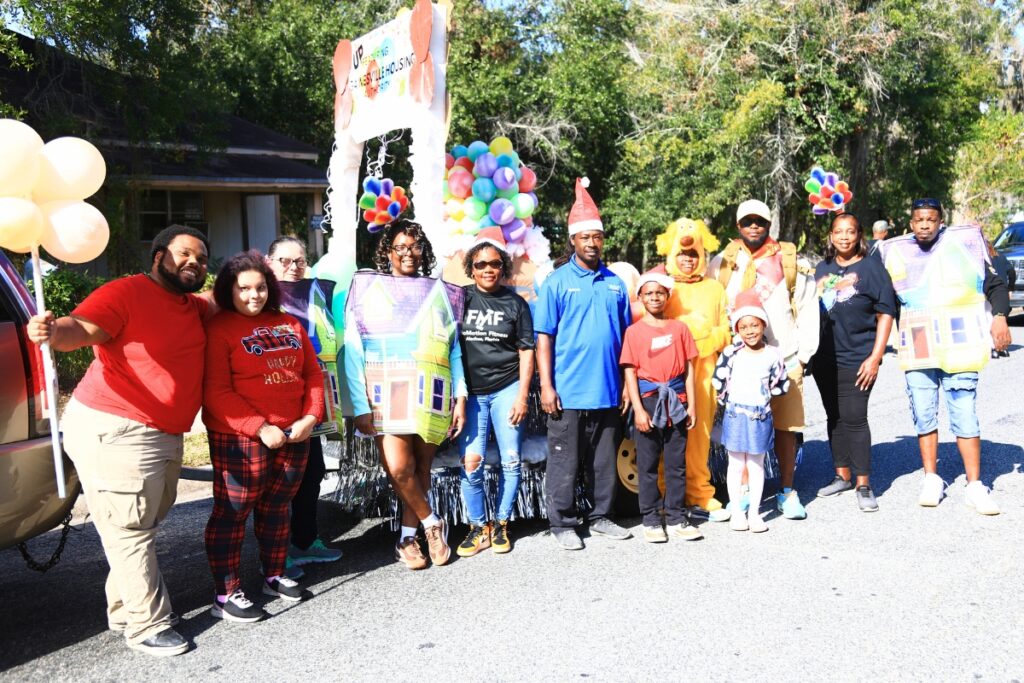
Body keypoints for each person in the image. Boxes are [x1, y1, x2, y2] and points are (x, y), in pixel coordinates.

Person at [25, 225, 212, 656]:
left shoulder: (191, 306)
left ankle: (125, 609)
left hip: (162, 432)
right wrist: (52, 332)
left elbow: (227, 298)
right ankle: (147, 624)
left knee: (140, 522)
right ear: (158, 256)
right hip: (116, 428)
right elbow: (79, 328)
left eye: (202, 258)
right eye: (185, 254)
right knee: (130, 528)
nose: (194, 263)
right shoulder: (125, 292)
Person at [202, 250, 323, 621]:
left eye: (260, 287)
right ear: (229, 290)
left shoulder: (289, 323)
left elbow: (312, 374)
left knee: (276, 508)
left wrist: (310, 417)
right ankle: (226, 594)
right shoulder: (219, 329)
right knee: (232, 513)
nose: (254, 295)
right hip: (241, 437)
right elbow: (216, 391)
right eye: (244, 289)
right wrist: (259, 427)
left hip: (293, 434)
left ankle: (274, 573)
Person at [344, 219, 467, 569]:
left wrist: (460, 398)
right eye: (400, 247)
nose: (408, 253)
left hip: (432, 392)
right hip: (386, 393)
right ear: (387, 251)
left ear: (423, 251)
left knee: (420, 468)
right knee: (399, 468)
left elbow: (453, 351)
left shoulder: (440, 293)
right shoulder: (367, 288)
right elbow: (353, 350)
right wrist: (360, 405)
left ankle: (407, 539)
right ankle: (432, 522)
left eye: (415, 246)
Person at [878, 198, 1010, 514]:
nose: (925, 224)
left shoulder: (965, 245)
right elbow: (884, 301)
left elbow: (995, 284)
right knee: (924, 412)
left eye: (931, 219)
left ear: (940, 221)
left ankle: (975, 485)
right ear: (911, 223)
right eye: (919, 219)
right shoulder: (896, 253)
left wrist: (1000, 317)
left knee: (964, 412)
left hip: (960, 344)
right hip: (918, 343)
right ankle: (931, 478)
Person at [535, 177, 633, 551]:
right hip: (568, 390)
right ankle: (562, 522)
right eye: (585, 237)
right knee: (565, 461)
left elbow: (627, 341)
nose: (592, 243)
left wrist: (626, 385)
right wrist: (547, 386)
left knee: (604, 460)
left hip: (608, 388)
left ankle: (601, 516)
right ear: (573, 240)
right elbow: (544, 337)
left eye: (597, 237)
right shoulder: (556, 283)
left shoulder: (616, 283)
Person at [707, 199, 818, 520]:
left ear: (769, 225)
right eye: (747, 221)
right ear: (738, 226)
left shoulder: (789, 260)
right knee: (742, 427)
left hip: (784, 357)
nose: (753, 226)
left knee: (786, 427)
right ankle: (742, 492)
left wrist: (804, 356)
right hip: (740, 362)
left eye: (759, 221)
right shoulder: (723, 262)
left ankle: (786, 490)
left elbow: (808, 307)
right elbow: (714, 304)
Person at [265, 236, 343, 578]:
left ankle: (306, 540)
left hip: (313, 400)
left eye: (299, 261)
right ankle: (275, 554)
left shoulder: (320, 291)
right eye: (285, 260)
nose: (293, 267)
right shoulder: (257, 294)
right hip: (272, 403)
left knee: (311, 474)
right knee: (277, 482)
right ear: (268, 262)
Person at [455, 227, 535, 556]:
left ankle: (501, 523)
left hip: (507, 388)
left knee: (511, 461)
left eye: (494, 263)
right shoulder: (459, 299)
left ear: (503, 266)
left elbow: (526, 350)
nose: (488, 269)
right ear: (470, 268)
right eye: (480, 264)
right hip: (470, 394)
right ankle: (478, 527)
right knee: (470, 463)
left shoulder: (516, 304)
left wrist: (522, 396)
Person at [811, 213, 896, 512]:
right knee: (834, 416)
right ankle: (842, 475)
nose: (844, 237)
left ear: (859, 235)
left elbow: (886, 313)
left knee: (855, 418)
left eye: (850, 231)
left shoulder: (872, 268)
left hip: (857, 357)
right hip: (824, 358)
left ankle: (863, 484)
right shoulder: (822, 268)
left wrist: (876, 356)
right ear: (831, 236)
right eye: (838, 232)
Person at [656, 218, 732, 521]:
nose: (687, 259)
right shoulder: (664, 288)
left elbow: (726, 330)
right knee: (668, 432)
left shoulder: (715, 288)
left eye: (693, 254)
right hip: (669, 373)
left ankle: (700, 491)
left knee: (700, 434)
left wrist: (705, 340)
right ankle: (665, 493)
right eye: (682, 254)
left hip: (704, 375)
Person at [620, 271, 701, 543]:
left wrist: (692, 405)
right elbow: (630, 372)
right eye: (649, 293)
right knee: (647, 464)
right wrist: (639, 409)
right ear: (640, 297)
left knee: (676, 464)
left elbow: (689, 369)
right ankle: (651, 520)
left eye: (659, 293)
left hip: (677, 401)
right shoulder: (633, 332)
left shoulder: (680, 329)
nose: (654, 297)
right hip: (649, 401)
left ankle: (677, 517)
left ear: (668, 296)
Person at [711, 291, 790, 533]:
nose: (750, 331)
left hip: (760, 417)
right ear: (737, 329)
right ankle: (737, 512)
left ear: (763, 325)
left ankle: (754, 513)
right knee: (735, 464)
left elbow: (782, 384)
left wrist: (764, 395)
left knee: (756, 465)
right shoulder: (731, 353)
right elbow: (717, 380)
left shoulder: (773, 354)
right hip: (735, 414)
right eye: (743, 327)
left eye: (754, 325)